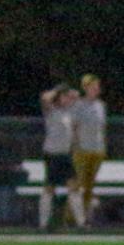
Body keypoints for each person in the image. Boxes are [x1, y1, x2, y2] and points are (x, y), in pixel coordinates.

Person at [37, 83, 79, 230]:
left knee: (73, 186)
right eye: (64, 97)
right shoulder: (51, 111)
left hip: (65, 154)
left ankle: (80, 222)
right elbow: (45, 97)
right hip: (52, 154)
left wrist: (68, 94)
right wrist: (57, 91)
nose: (67, 99)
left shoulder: (69, 112)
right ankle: (43, 223)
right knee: (49, 187)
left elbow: (76, 94)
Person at [70, 74, 108, 226]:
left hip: (97, 150)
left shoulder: (101, 105)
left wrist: (104, 145)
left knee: (89, 186)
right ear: (85, 88)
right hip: (82, 149)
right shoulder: (79, 105)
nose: (96, 89)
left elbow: (102, 127)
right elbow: (74, 127)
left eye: (97, 86)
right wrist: (75, 145)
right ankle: (73, 217)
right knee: (78, 184)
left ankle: (85, 216)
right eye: (93, 86)